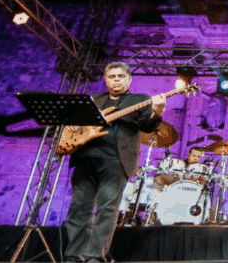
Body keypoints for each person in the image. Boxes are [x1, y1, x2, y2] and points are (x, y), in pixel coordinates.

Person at [64, 62, 165, 262]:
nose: (116, 80)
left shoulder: (139, 100)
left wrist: (157, 112)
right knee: (78, 208)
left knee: (107, 209)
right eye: (112, 76)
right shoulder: (94, 99)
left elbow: (146, 126)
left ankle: (94, 257)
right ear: (105, 79)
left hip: (116, 160)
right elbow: (76, 125)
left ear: (129, 79)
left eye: (121, 76)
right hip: (86, 158)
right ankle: (73, 256)